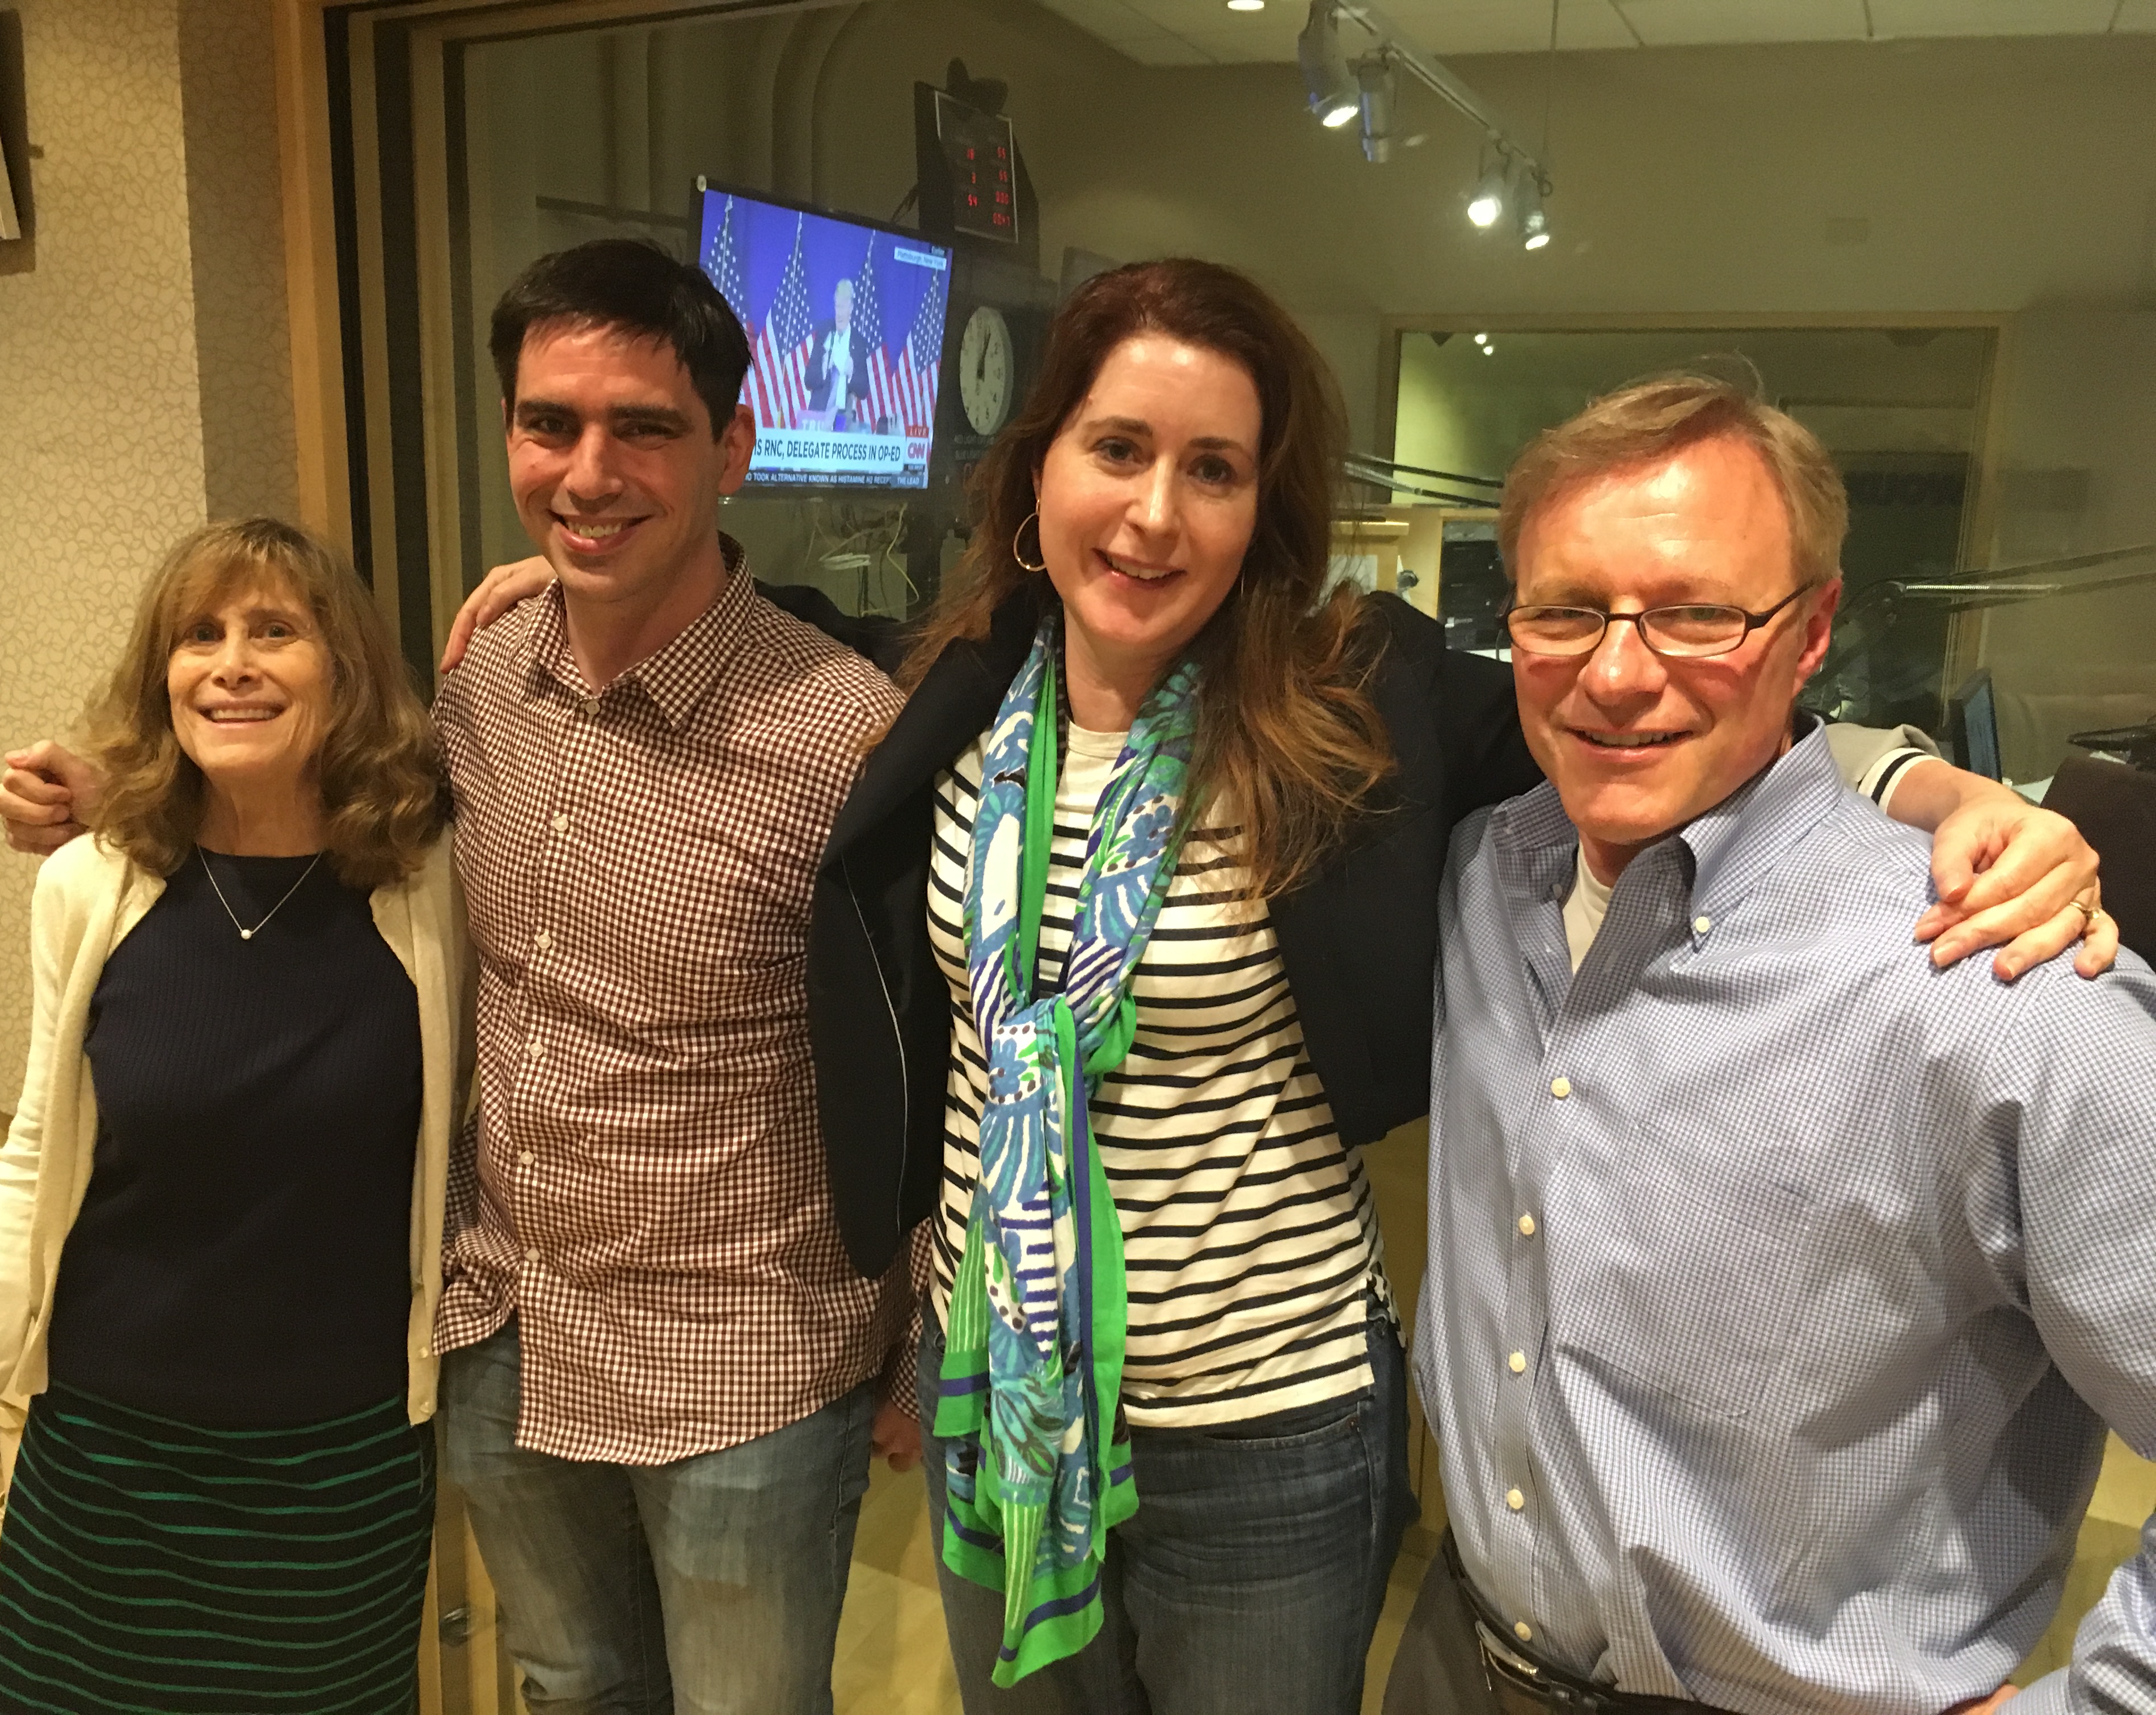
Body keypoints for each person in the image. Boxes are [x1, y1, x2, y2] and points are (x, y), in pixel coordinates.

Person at [796, 262, 2112, 1714]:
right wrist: (565, 570)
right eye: (1117, 449)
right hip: (1007, 1391)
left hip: (1262, 1420)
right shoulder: (952, 690)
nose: (1156, 512)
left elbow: (1667, 721)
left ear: (1263, 510)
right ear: (1035, 466)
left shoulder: (1357, 701)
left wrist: (1935, 789)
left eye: (1215, 469)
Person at [0, 240, 906, 1715]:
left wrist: (923, 1333)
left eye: (645, 428)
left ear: (734, 446)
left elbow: (921, 1043)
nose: (589, 471)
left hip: (744, 1357)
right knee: (569, 1689)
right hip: (506, 1333)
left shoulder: (840, 731)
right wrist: (123, 783)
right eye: (552, 424)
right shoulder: (485, 677)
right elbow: (323, 786)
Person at [1391, 375, 2155, 1714]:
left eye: (1695, 614)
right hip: (1458, 1657)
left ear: (1810, 635)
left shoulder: (2001, 987)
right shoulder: (1481, 874)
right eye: (1568, 609)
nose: (1618, 671)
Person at [0, 518, 467, 1715]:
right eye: (199, 635)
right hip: (106, 1457)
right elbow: (35, 1161)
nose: (231, 663)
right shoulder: (89, 886)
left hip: (338, 1467)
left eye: (274, 633)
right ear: (164, 674)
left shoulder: (429, 885)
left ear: (344, 670)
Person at [806, 276, 872, 426]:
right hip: (818, 415)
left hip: (843, 419)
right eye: (837, 307)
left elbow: (863, 390)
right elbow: (808, 380)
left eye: (843, 307)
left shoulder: (858, 342)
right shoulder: (824, 334)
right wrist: (822, 370)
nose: (839, 313)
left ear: (851, 308)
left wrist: (851, 374)